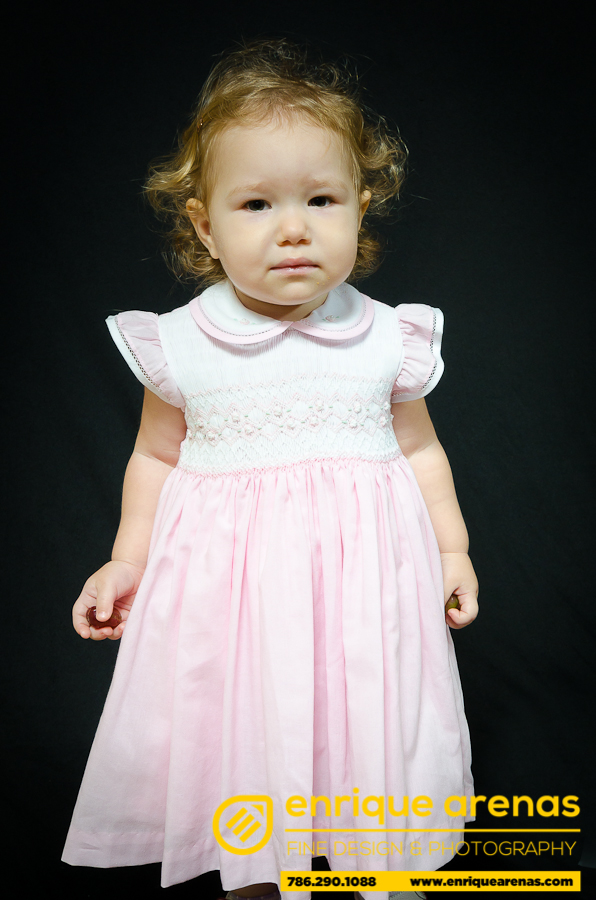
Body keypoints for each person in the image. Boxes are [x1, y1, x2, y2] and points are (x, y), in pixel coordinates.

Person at [61, 38, 478, 900]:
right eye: (256, 204)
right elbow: (155, 455)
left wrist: (452, 551)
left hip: (365, 597)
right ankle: (251, 877)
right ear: (205, 226)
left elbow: (420, 448)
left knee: (370, 736)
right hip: (235, 605)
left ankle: (378, 868)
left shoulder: (387, 338)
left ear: (360, 209)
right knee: (244, 748)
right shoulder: (181, 345)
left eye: (321, 200)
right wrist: (127, 560)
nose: (294, 228)